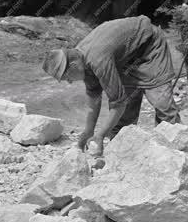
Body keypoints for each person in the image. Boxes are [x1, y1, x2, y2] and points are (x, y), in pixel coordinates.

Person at [43, 15, 180, 155]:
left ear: (73, 65)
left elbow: (118, 103)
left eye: (67, 78)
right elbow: (94, 101)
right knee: (125, 114)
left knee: (161, 102)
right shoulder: (82, 60)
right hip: (127, 59)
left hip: (150, 46)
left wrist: (101, 134)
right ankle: (122, 155)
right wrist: (88, 131)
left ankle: (176, 151)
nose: (70, 82)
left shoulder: (97, 59)